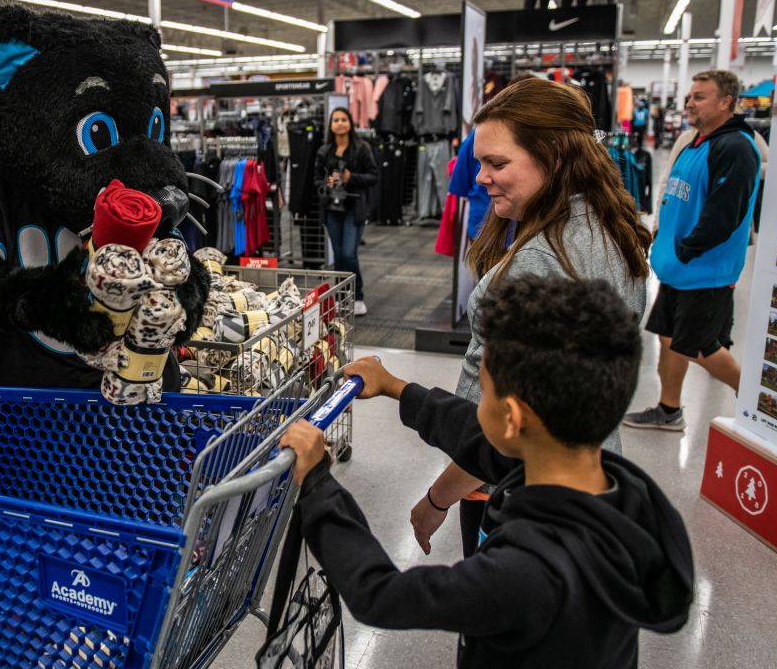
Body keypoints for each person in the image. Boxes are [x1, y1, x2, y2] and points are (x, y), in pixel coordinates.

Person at [279, 276, 694, 668]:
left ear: (513, 418)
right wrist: (395, 387)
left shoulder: (525, 573)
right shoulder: (616, 489)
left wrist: (319, 484)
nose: (479, 402)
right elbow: (479, 438)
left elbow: (381, 596)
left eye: (485, 389)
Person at [414, 77, 653, 559]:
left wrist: (438, 498)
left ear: (555, 157)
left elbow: (504, 427)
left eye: (497, 163)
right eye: (481, 161)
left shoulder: (539, 263)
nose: (480, 177)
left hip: (517, 498)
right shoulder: (610, 228)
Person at [623, 70, 762, 431]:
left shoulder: (735, 147)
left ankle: (762, 405)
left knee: (701, 346)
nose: (689, 103)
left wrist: (687, 249)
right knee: (668, 337)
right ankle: (669, 410)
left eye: (699, 96)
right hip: (678, 269)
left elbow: (725, 214)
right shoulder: (695, 143)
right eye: (689, 96)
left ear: (725, 102)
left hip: (704, 269)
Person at [314, 106, 377, 317]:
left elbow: (373, 176)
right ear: (331, 125)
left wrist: (352, 178)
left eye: (343, 119)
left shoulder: (362, 148)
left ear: (350, 122)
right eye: (336, 120)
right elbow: (315, 181)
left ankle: (357, 295)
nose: (340, 123)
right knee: (339, 256)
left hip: (354, 209)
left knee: (350, 254)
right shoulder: (324, 151)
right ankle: (342, 297)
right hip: (332, 209)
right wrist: (327, 182)